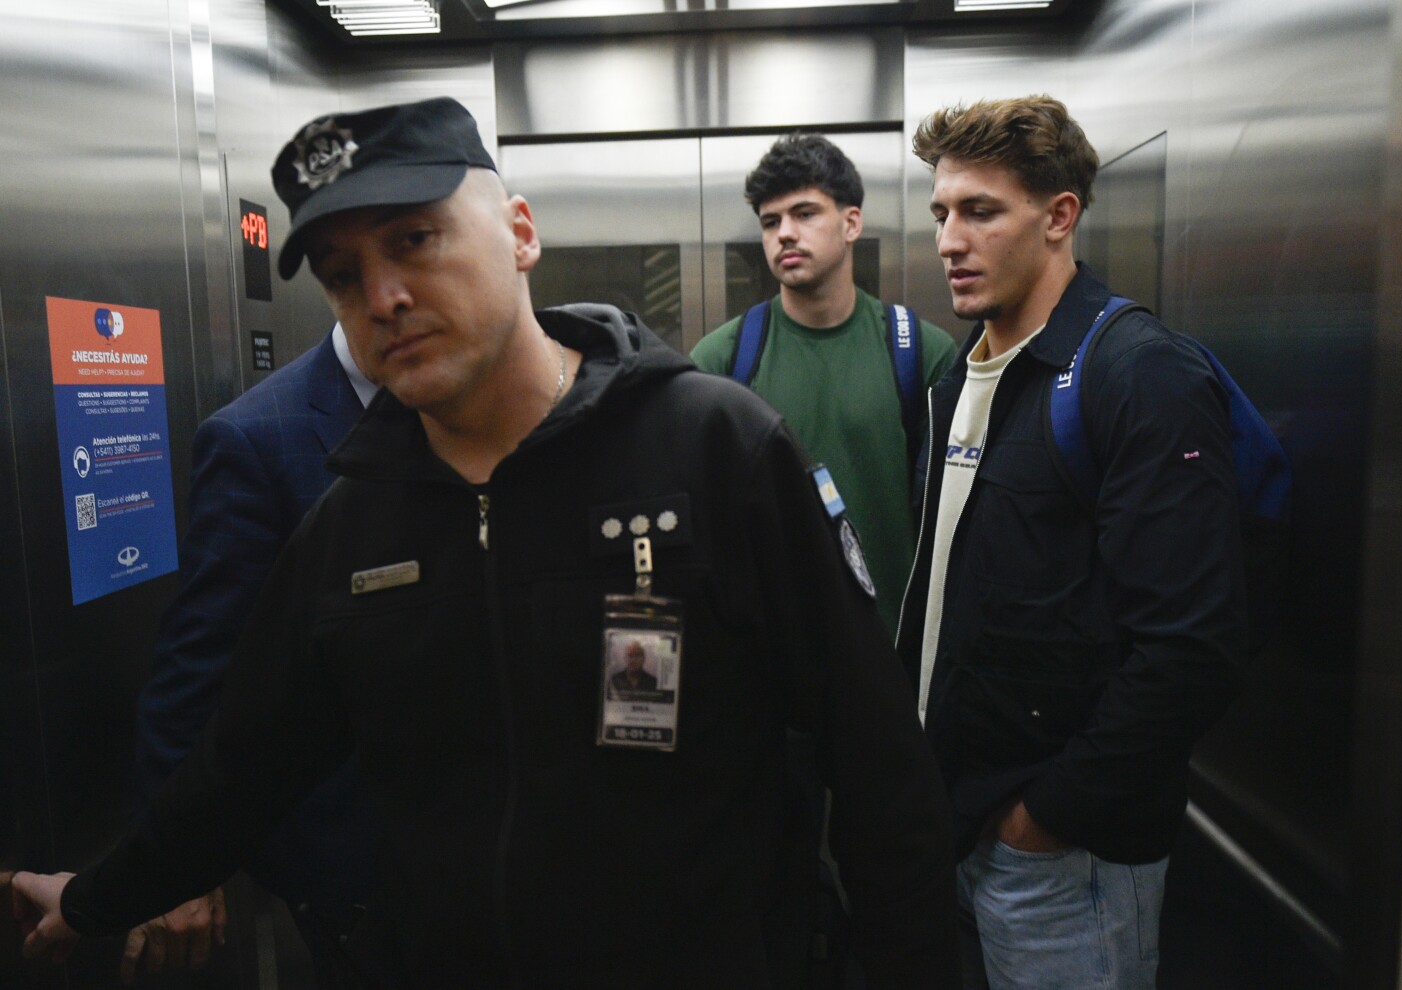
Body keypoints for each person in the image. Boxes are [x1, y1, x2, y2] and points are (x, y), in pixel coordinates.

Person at [11, 96, 957, 989]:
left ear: (520, 233)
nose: (382, 296)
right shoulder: (352, 524)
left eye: (414, 240)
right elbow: (241, 768)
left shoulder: (713, 449)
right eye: (343, 275)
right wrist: (97, 900)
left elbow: (877, 768)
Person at [899, 96, 1246, 989]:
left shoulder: (1138, 371)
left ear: (1059, 216)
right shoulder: (961, 376)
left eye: (981, 211)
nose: (949, 241)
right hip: (964, 824)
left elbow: (1190, 646)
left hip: (1064, 856)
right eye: (941, 212)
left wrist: (1046, 818)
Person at [124, 321, 381, 985]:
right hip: (356, 866)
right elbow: (197, 669)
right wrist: (175, 870)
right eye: (353, 275)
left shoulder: (475, 403)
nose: (392, 297)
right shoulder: (258, 436)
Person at [690, 134, 957, 632]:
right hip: (773, 650)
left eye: (805, 213)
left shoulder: (921, 352)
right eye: (771, 222)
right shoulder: (721, 360)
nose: (785, 234)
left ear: (851, 223)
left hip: (892, 644)